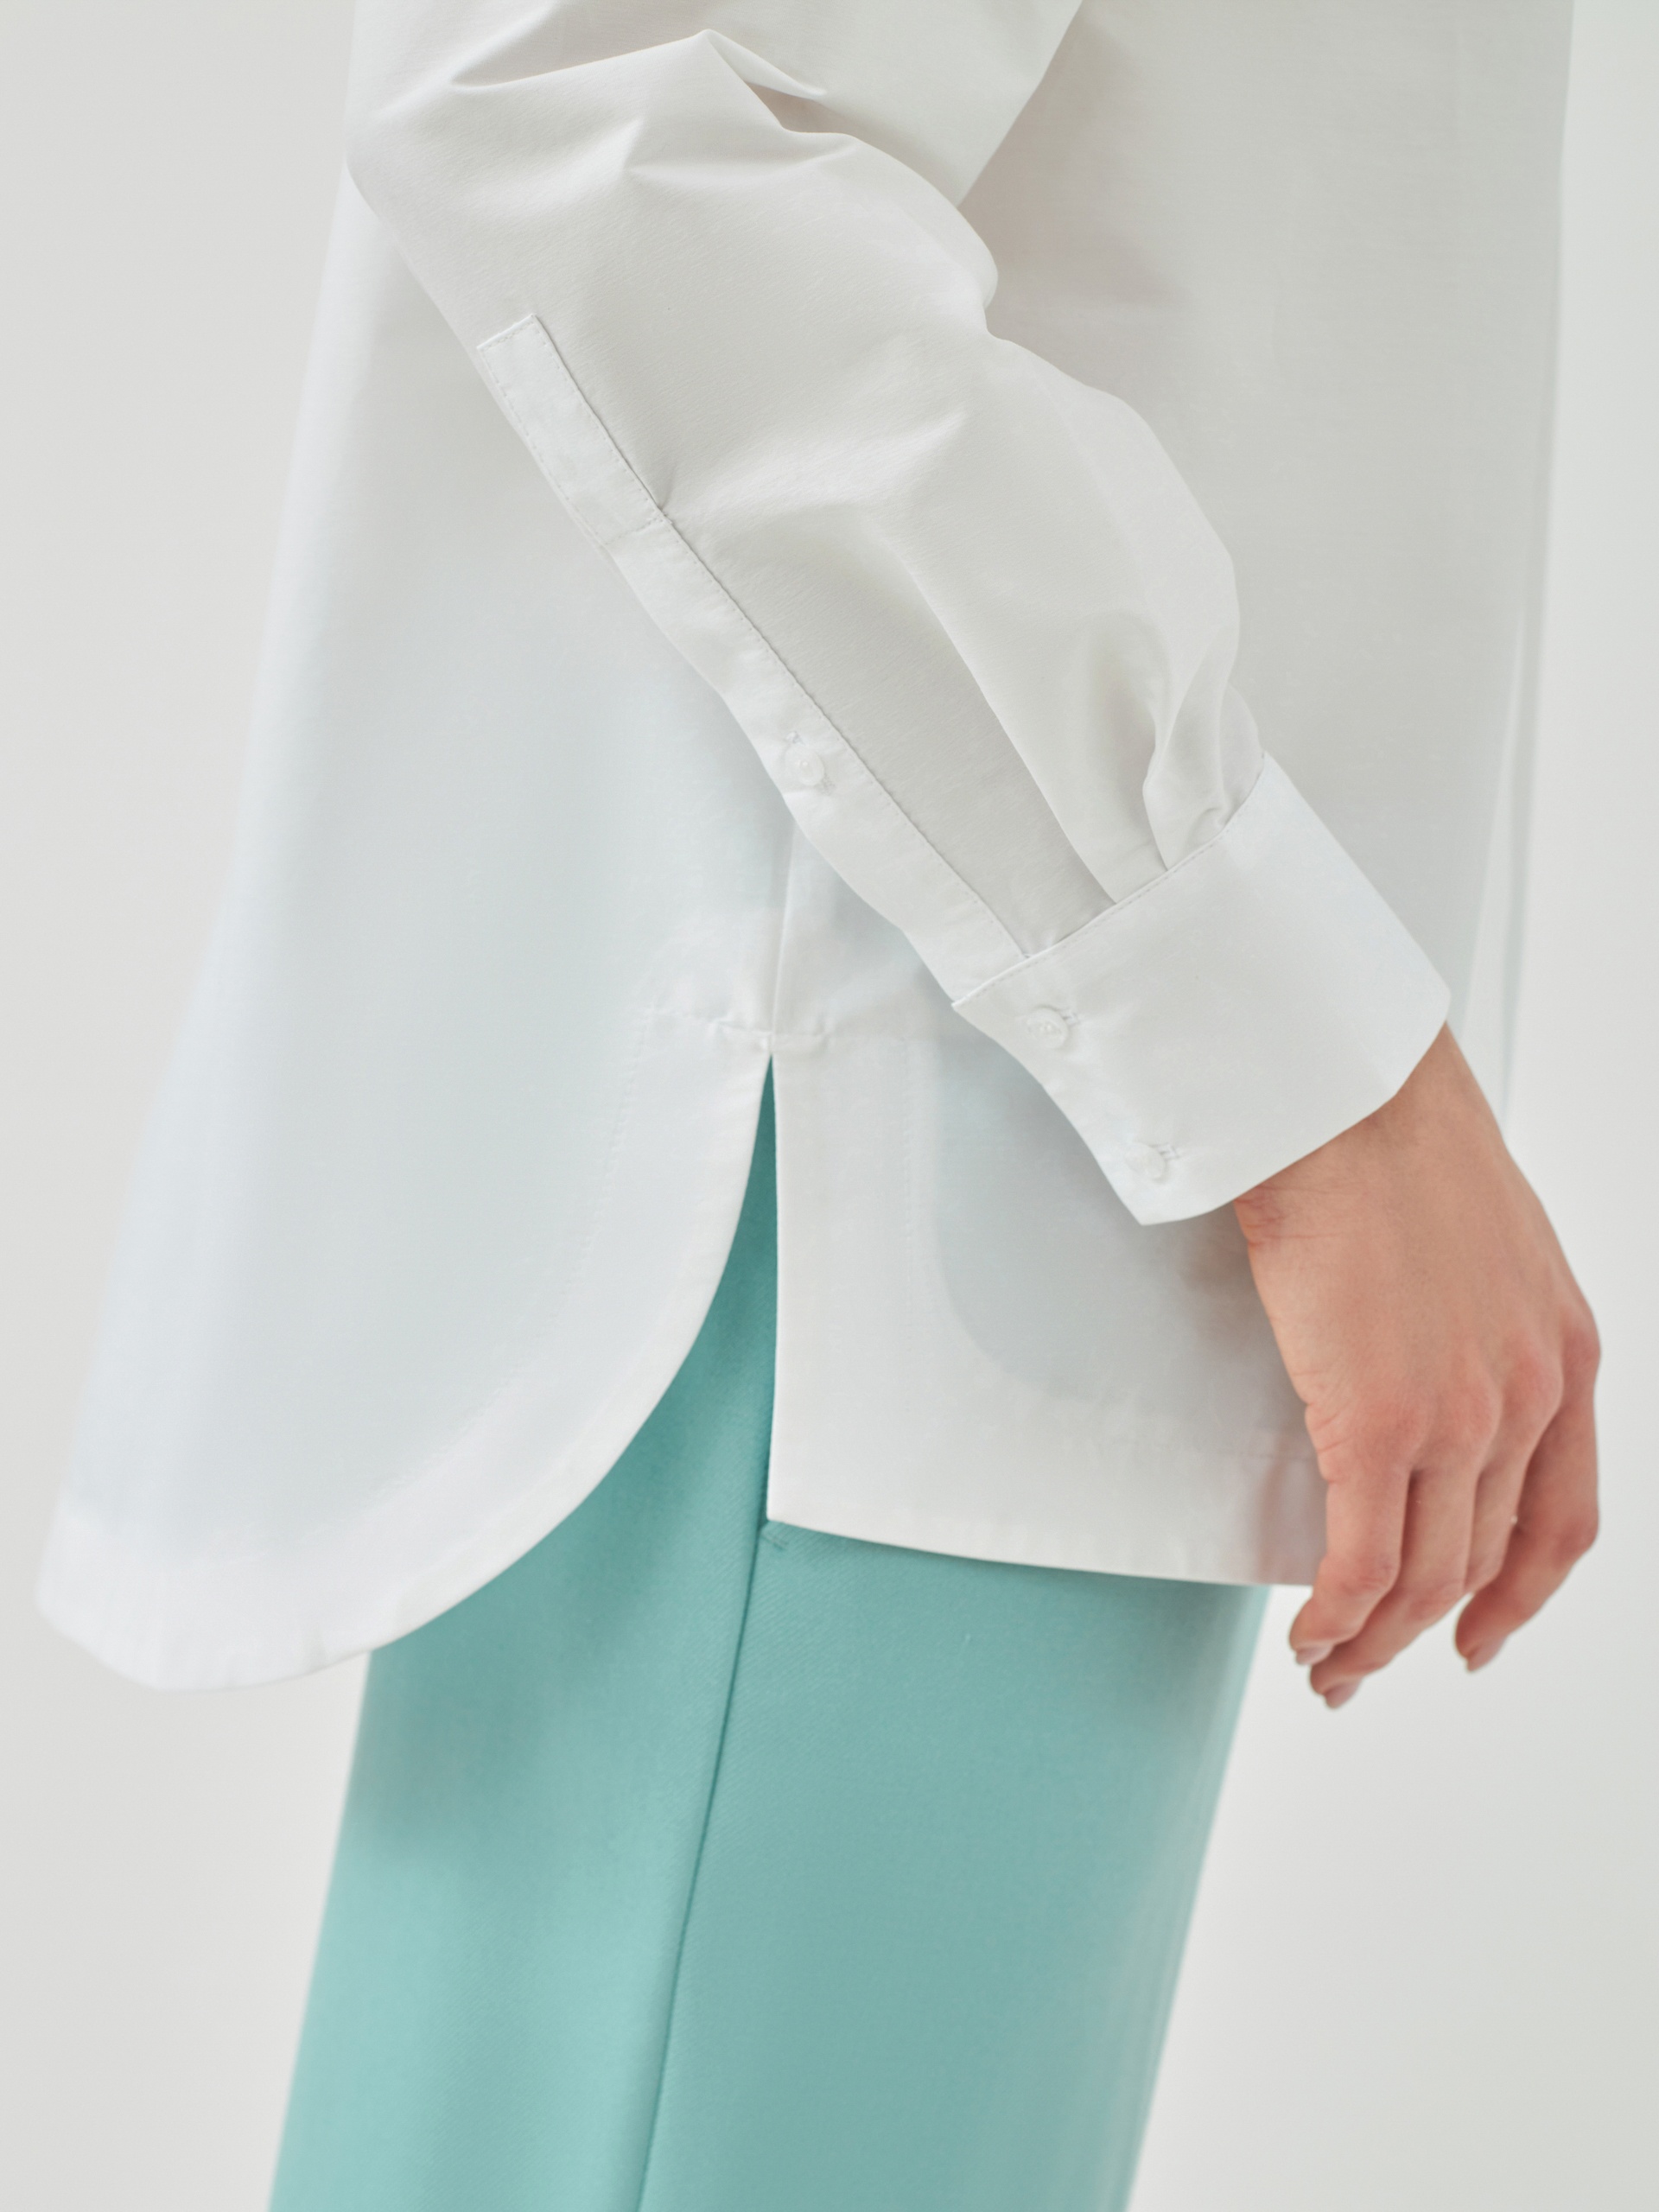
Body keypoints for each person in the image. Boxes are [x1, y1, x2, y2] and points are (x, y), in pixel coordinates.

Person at [39, 3, 1599, 2206]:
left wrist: (1307, 1046)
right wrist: (1306, 1057)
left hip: (1069, 1165)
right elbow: (590, 94)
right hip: (886, 1175)